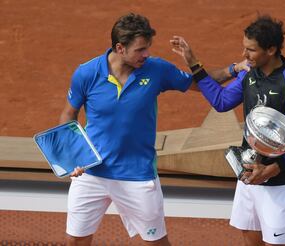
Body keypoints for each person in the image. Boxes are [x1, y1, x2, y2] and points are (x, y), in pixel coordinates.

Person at [59, 13, 236, 246]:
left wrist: (233, 70)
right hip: (92, 173)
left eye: (147, 48)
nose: (146, 54)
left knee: (156, 243)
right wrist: (73, 156)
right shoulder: (87, 73)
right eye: (140, 50)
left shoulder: (157, 70)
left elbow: (201, 84)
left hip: (137, 175)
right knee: (75, 240)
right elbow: (68, 115)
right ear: (120, 48)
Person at [171, 15, 285, 246]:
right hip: (248, 172)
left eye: (251, 50)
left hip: (278, 183)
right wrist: (194, 63)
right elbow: (221, 101)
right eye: (244, 48)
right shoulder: (250, 73)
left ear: (271, 50)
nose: (244, 55)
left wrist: (271, 170)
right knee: (248, 234)